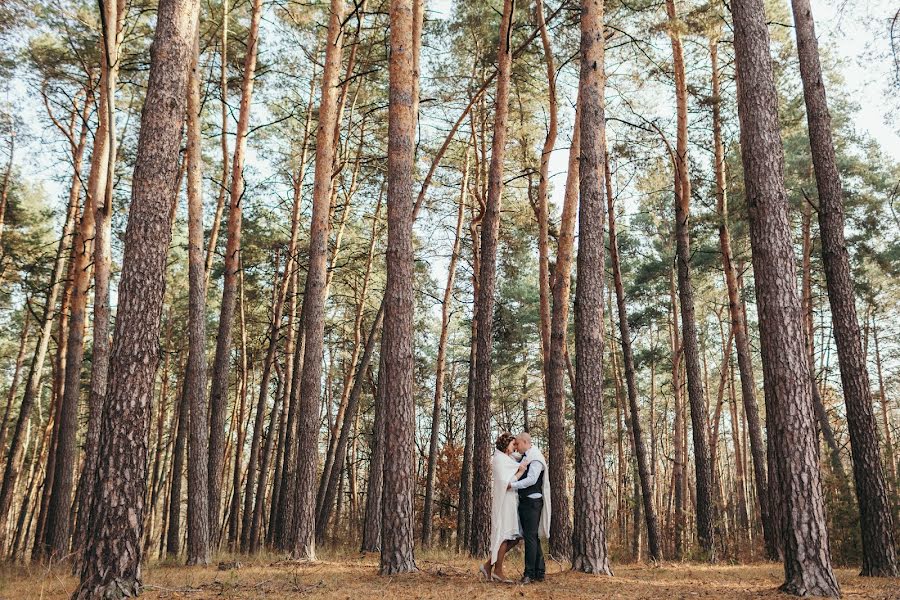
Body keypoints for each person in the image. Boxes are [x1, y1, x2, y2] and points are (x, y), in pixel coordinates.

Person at [480, 432, 529, 583]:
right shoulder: (499, 459)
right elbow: (505, 483)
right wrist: (520, 472)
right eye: (512, 444)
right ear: (505, 445)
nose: (515, 447)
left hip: (511, 501)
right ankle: (498, 571)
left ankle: (488, 566)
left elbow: (521, 457)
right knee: (505, 536)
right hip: (504, 501)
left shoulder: (508, 458)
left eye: (516, 444)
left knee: (516, 537)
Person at [507, 432, 550, 584]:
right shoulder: (527, 456)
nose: (517, 447)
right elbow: (515, 459)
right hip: (526, 502)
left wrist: (512, 485)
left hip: (532, 502)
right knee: (532, 537)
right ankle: (540, 571)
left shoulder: (536, 458)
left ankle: (529, 574)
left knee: (530, 538)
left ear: (525, 442)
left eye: (518, 444)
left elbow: (531, 480)